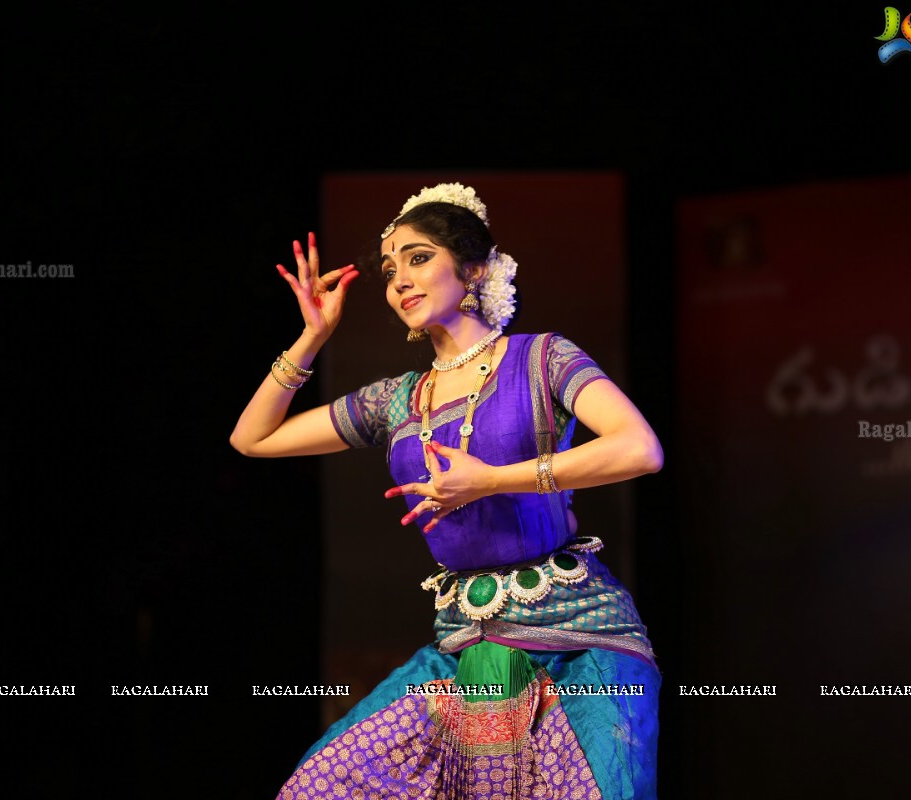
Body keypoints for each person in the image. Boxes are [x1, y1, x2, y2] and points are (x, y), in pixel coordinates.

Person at [231, 183, 663, 800]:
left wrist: (491, 480)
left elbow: (639, 449)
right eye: (388, 268)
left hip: (580, 642)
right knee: (319, 788)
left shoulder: (541, 360)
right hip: (464, 646)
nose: (399, 279)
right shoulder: (395, 400)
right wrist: (312, 336)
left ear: (475, 267)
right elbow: (253, 438)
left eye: (418, 257)